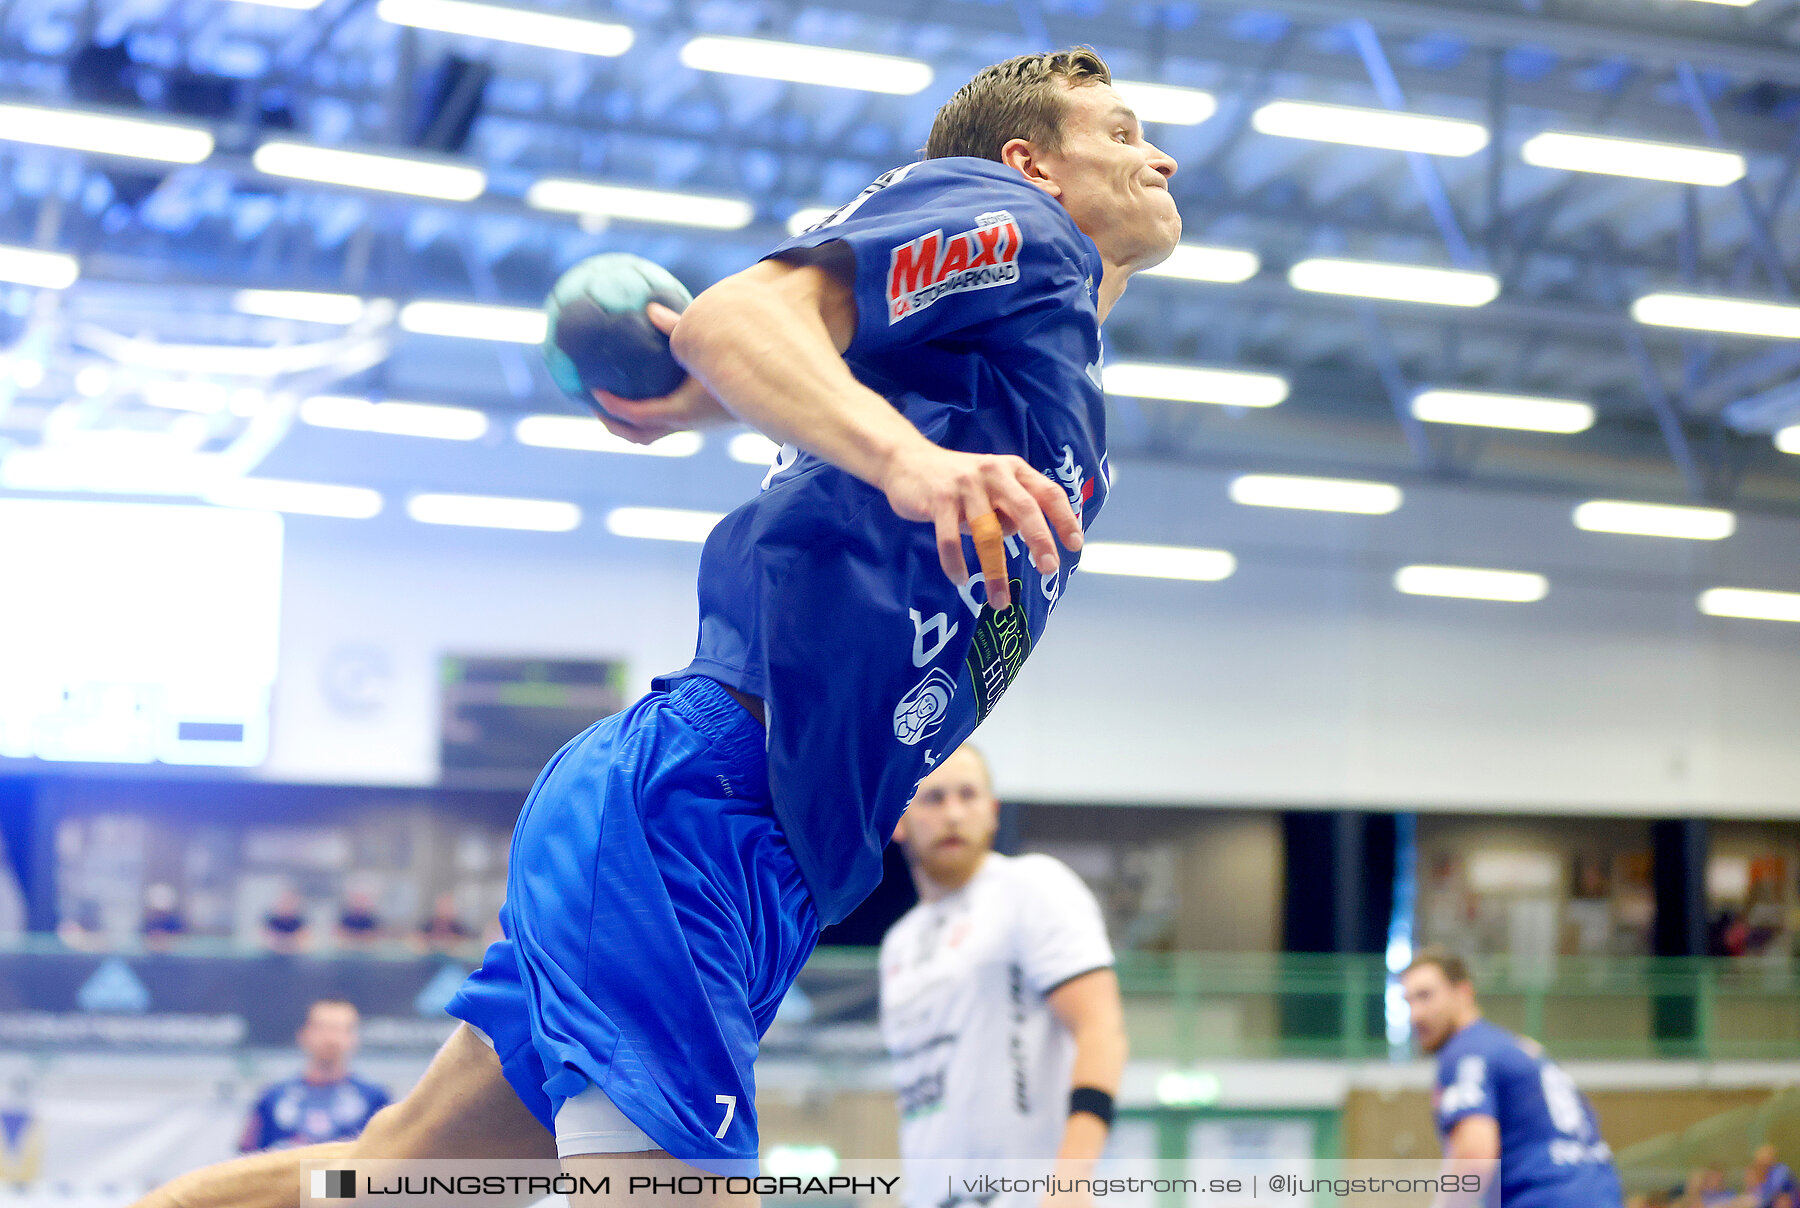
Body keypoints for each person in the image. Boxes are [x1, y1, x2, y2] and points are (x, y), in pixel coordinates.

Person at [132, 43, 1178, 1208]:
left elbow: (771, 355)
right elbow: (743, 315)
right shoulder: (1011, 222)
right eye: (1124, 133)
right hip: (702, 810)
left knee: (385, 1176)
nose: (1160, 154)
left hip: (747, 843)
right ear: (1031, 163)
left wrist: (717, 393)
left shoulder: (1027, 351)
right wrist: (909, 461)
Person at [880, 744, 1125, 1207]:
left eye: (968, 796)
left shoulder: (1031, 887)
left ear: (992, 813)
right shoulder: (899, 944)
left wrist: (1072, 1181)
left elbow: (1101, 1031)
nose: (953, 813)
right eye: (933, 799)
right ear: (899, 820)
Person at [1401, 947, 1624, 1208]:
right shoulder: (1520, 1050)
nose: (1415, 1014)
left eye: (1425, 996)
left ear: (1463, 993)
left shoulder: (1466, 1051)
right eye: (1408, 1002)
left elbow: (1474, 1155)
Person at [239, 999, 391, 1152]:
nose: (331, 1039)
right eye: (323, 1028)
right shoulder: (272, 1097)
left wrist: (313, 1176)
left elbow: (387, 1164)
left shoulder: (375, 1100)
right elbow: (246, 1160)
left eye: (341, 1029)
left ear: (354, 1038)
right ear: (303, 1034)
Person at [260, 886, 310, 955]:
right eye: (283, 901)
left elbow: (304, 940)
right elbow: (263, 938)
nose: (286, 904)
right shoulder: (271, 920)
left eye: (289, 902)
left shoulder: (300, 921)